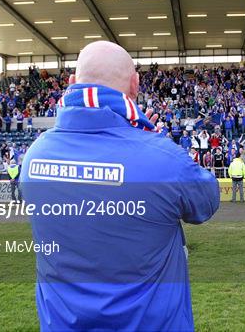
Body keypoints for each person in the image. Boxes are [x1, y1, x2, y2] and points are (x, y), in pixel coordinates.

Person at [20, 41, 219, 331]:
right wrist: (155, 142)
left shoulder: (35, 155)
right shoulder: (162, 158)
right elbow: (206, 201)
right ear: (135, 85)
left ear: (72, 83)